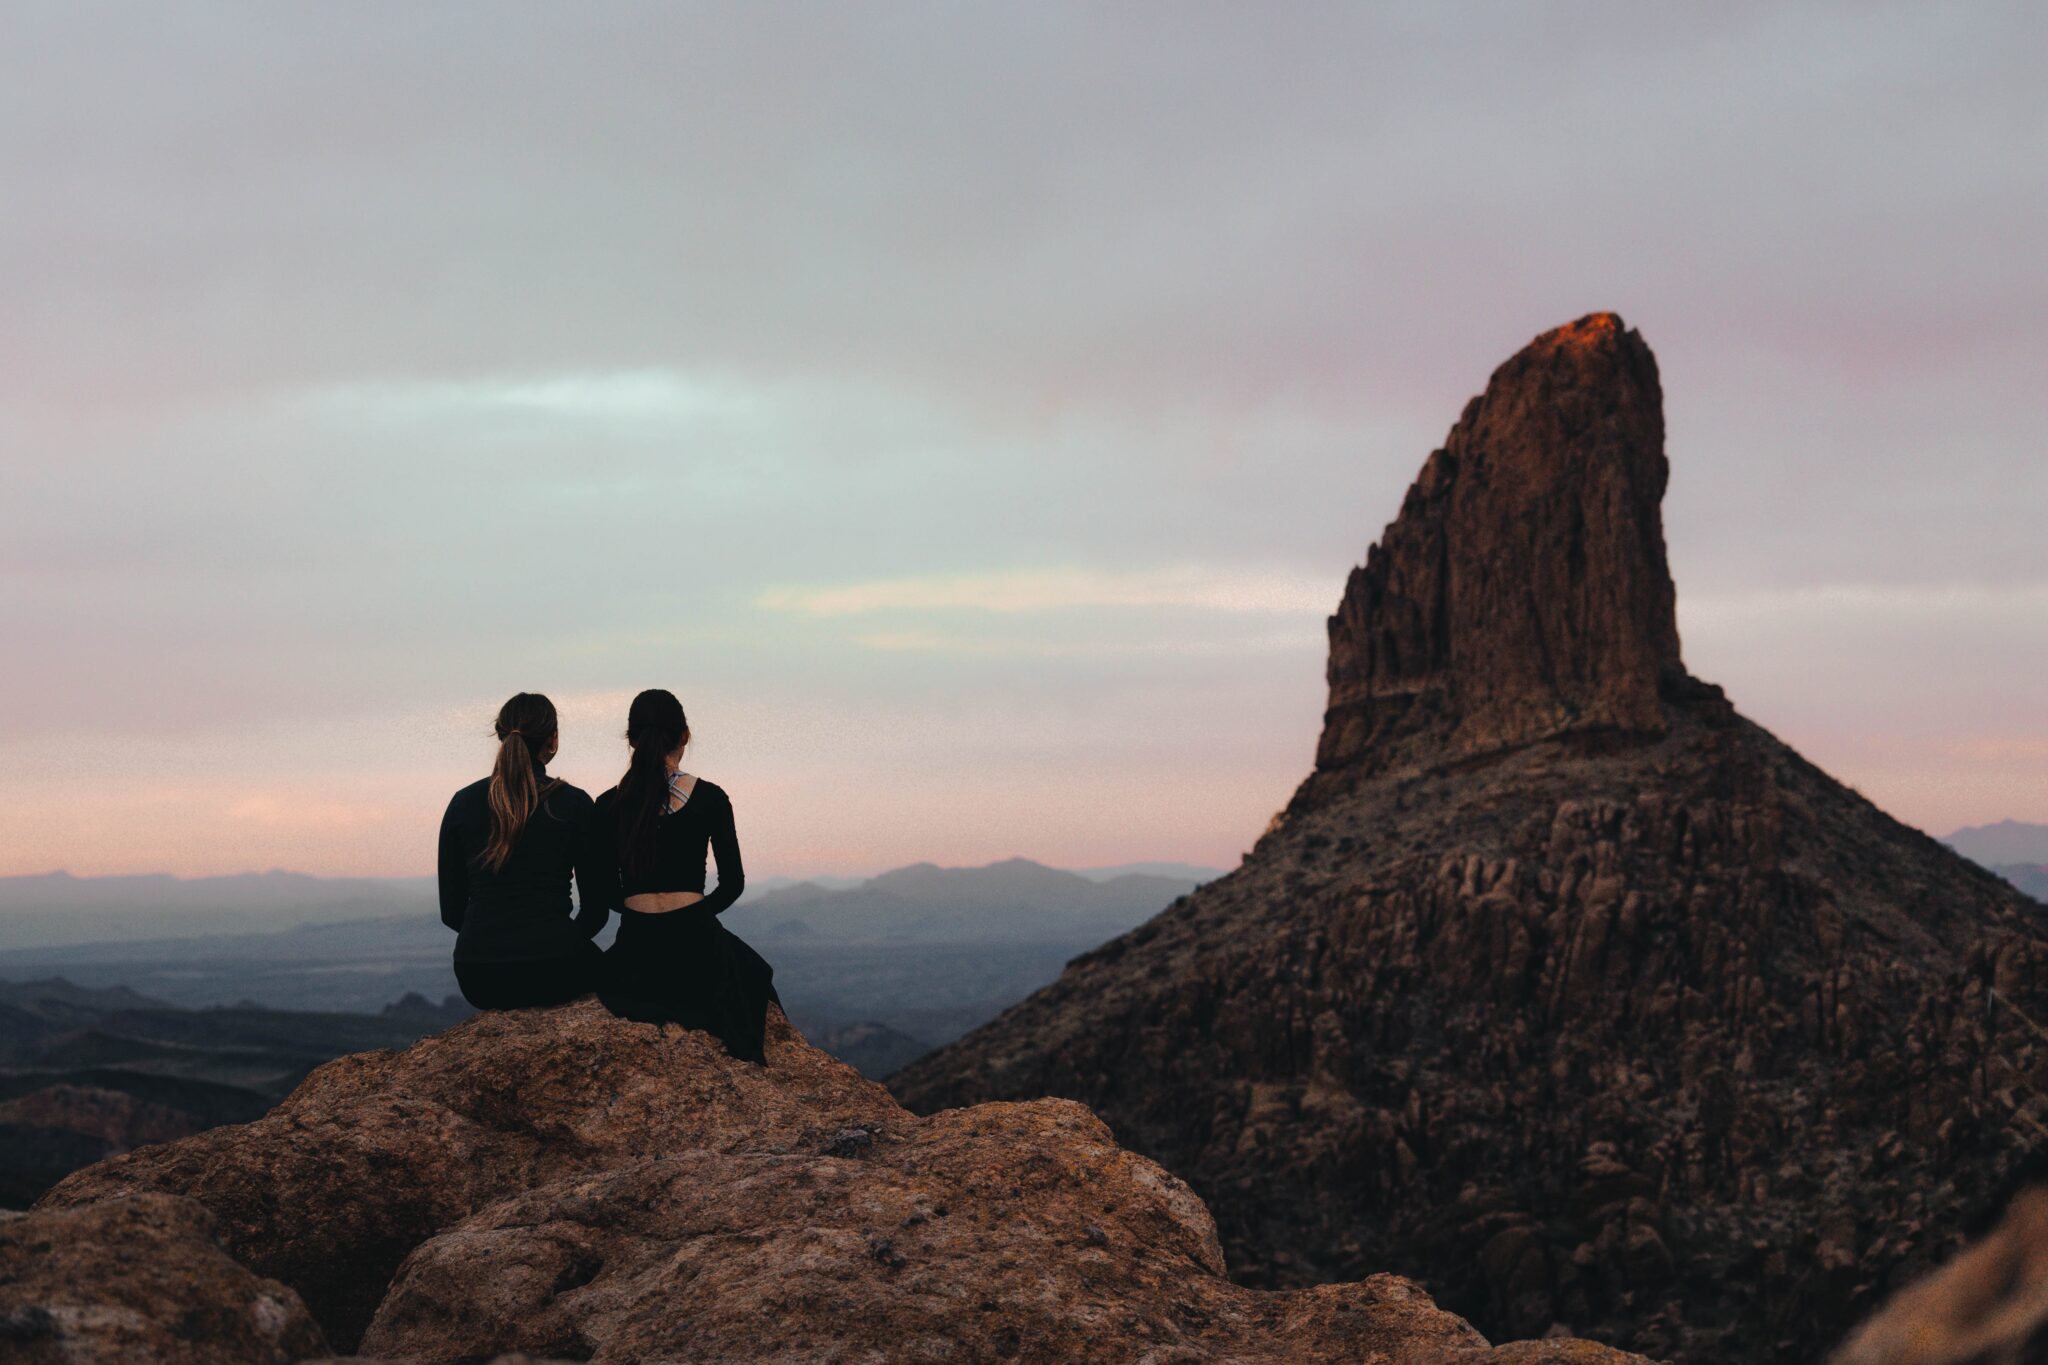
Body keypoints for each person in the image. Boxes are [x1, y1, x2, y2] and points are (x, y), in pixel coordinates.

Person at [590, 687, 780, 1064]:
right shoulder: (710, 797)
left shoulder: (607, 804)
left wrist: (640, 909)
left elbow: (606, 891)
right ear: (684, 735)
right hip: (696, 946)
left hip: (636, 951)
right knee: (756, 976)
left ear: (631, 740)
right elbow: (733, 883)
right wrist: (694, 915)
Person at [437, 691, 609, 1009]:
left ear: (501, 736)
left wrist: (494, 939)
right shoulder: (574, 803)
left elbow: (451, 911)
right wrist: (559, 941)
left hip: (478, 976)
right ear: (553, 740)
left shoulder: (462, 803)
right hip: (555, 968)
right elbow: (597, 909)